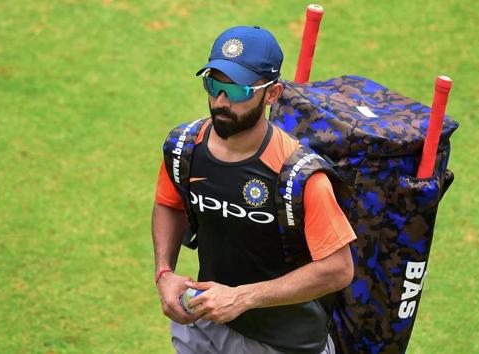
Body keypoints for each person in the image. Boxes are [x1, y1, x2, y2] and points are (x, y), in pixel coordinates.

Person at [152, 25, 356, 354]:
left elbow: (338, 269)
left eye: (237, 91)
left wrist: (242, 297)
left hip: (285, 345)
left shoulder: (301, 177)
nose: (220, 101)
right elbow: (169, 203)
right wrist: (164, 271)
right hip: (203, 324)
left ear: (271, 94)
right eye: (213, 84)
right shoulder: (184, 148)